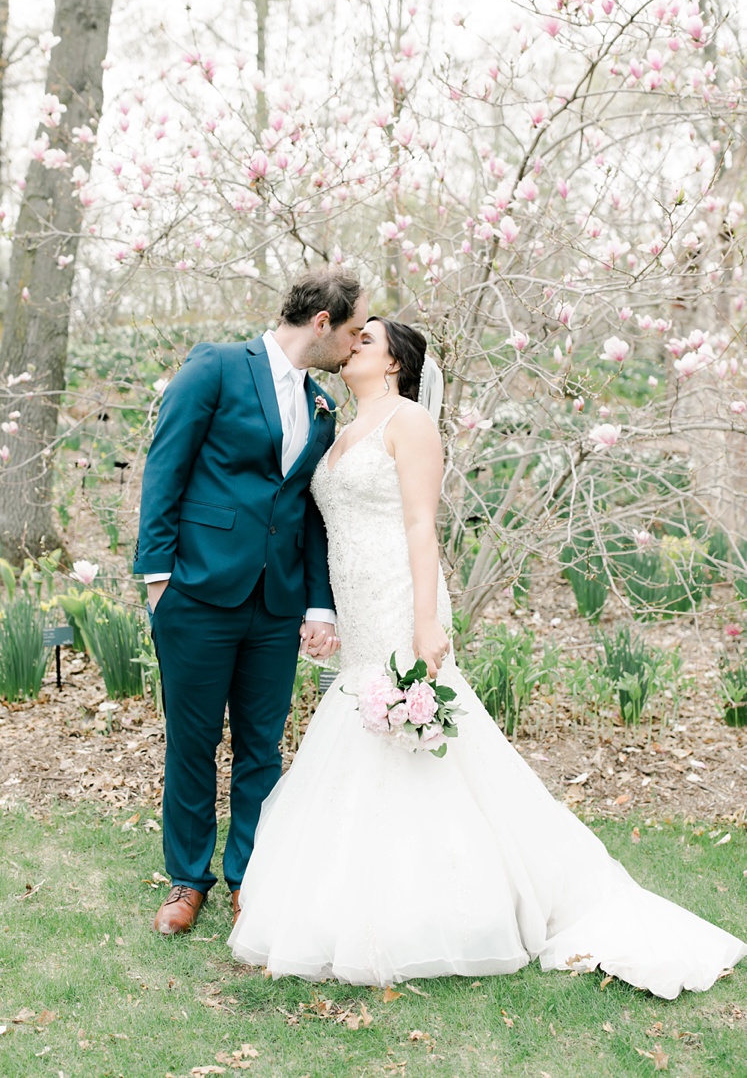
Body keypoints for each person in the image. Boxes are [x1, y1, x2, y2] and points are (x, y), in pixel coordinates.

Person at [228, 316, 747, 999]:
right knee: (362, 734)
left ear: (394, 364)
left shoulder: (409, 421)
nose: (351, 343)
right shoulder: (337, 427)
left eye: (367, 339)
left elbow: (419, 520)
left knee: (412, 737)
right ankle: (374, 893)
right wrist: (319, 612)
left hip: (399, 595)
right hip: (355, 603)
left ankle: (450, 907)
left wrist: (423, 621)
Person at [134, 266, 368, 935]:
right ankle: (187, 880)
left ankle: (250, 876)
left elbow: (310, 514)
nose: (354, 345)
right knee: (192, 742)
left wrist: (317, 605)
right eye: (352, 331)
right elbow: (165, 468)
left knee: (262, 747)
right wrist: (158, 580)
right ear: (321, 321)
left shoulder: (322, 405)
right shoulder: (214, 368)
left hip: (275, 603)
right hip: (197, 594)